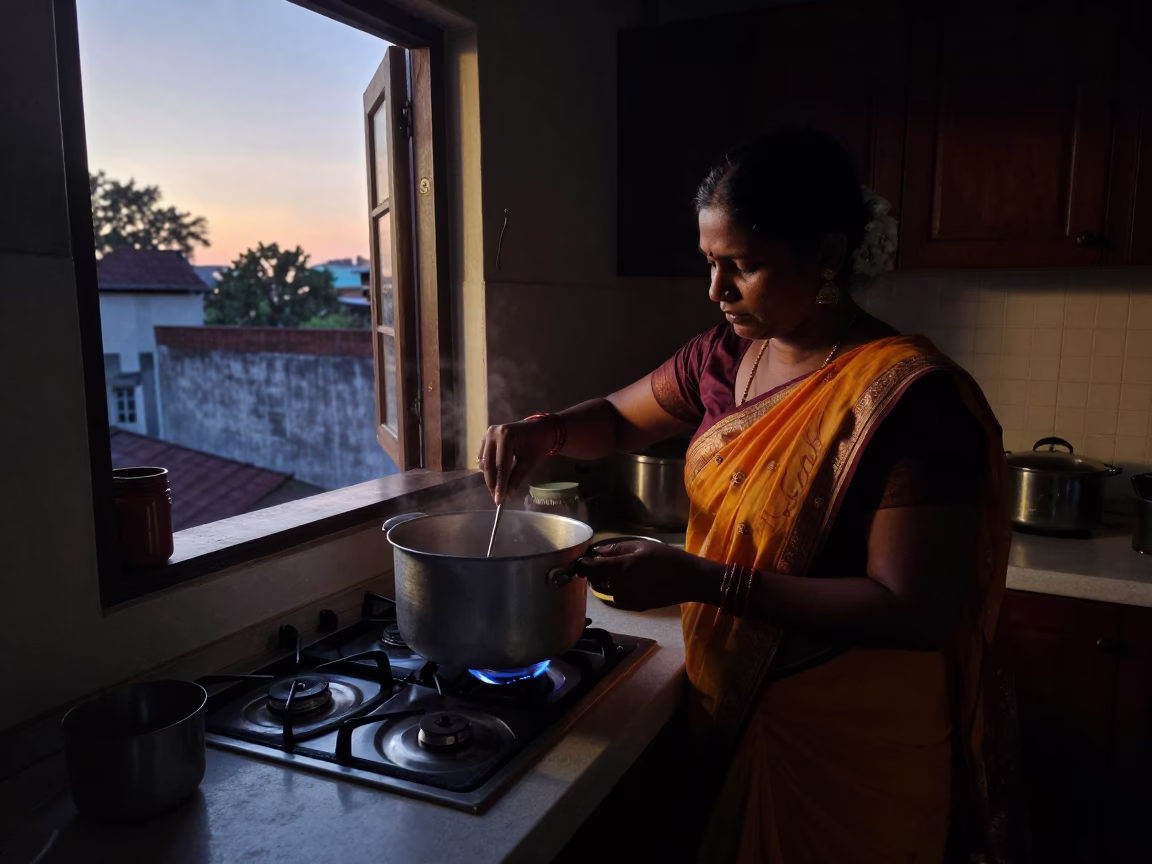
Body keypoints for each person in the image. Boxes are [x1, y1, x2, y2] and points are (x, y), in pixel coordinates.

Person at [476, 129, 1012, 863]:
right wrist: (542, 431)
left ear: (826, 256)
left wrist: (704, 579)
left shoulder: (911, 401)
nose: (716, 291)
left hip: (853, 749)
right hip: (731, 704)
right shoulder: (724, 356)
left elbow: (913, 609)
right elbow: (615, 419)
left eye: (744, 267)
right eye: (709, 264)